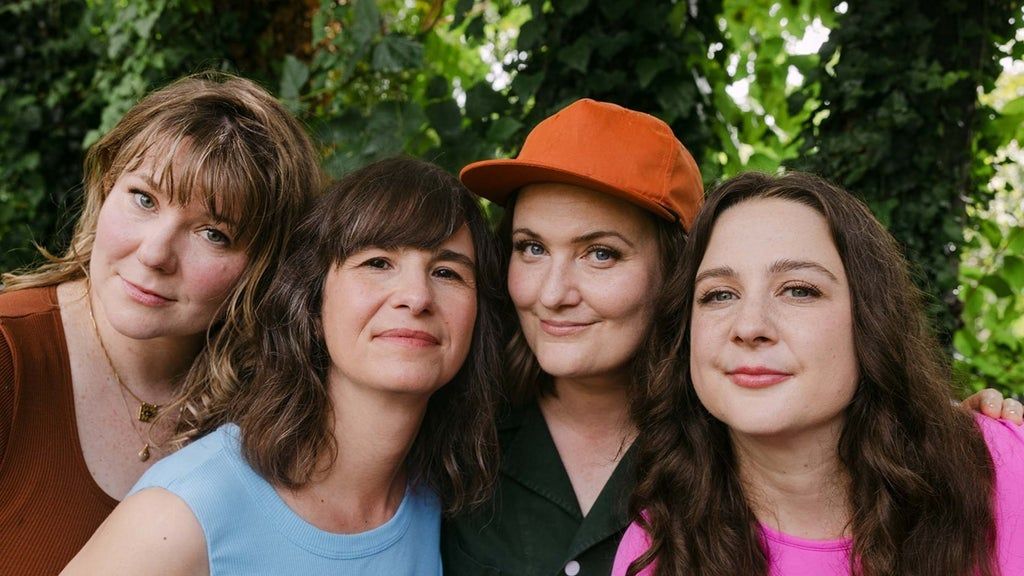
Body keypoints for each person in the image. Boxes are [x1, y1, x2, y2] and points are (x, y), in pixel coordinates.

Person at [63, 156, 505, 575]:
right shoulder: (183, 512)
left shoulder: (439, 503)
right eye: (377, 263)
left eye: (447, 273)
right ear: (311, 301)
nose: (417, 297)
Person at [613, 172, 1024, 576]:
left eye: (799, 290)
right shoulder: (659, 549)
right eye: (719, 294)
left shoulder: (1001, 467)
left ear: (869, 320)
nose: (749, 326)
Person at [0, 71, 321, 573]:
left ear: (266, 267)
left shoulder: (271, 410)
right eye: (144, 198)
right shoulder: (9, 355)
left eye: (213, 233)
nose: (154, 253)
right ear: (106, 187)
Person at [443, 98, 703, 575]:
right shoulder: (454, 431)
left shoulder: (729, 448)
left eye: (600, 253)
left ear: (675, 272)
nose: (552, 293)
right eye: (532, 248)